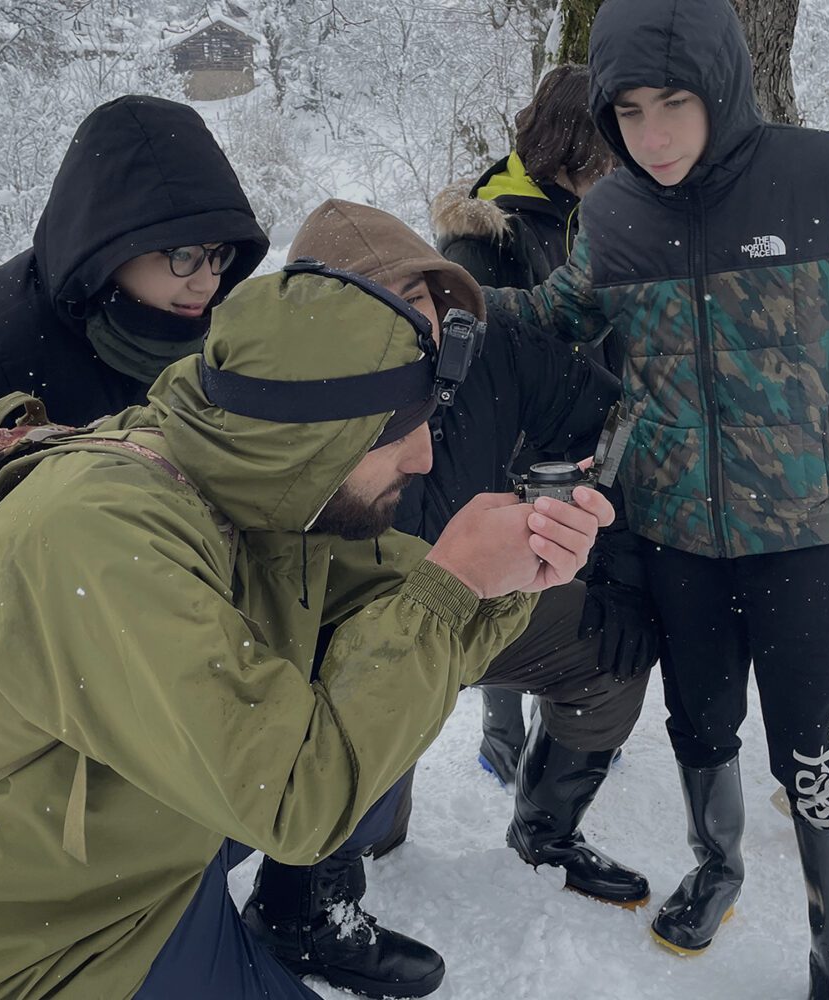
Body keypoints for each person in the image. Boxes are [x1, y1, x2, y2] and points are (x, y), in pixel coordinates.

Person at [0, 261, 616, 999]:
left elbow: (408, 616)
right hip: (54, 942)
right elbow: (297, 796)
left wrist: (509, 576)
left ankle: (292, 920)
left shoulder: (256, 479)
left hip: (154, 842)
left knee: (385, 679)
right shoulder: (98, 538)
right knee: (359, 715)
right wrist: (455, 583)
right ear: (313, 433)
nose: (424, 457)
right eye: (397, 430)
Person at [484, 1, 829, 995]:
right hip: (675, 530)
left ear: (723, 88)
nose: (653, 135)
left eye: (676, 103)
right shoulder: (610, 213)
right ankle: (717, 862)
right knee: (699, 721)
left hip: (804, 534)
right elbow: (552, 313)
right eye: (631, 110)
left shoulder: (828, 177)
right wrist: (438, 297)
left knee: (814, 745)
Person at [236, 199, 656, 1000]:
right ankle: (304, 904)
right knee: (355, 805)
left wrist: (605, 554)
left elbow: (607, 419)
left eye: (424, 301)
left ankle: (546, 830)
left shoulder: (494, 346)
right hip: (352, 643)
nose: (413, 326)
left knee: (610, 649)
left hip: (480, 600)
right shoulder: (285, 392)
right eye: (381, 304)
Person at [430, 63, 643, 788]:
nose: (621, 167)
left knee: (552, 577)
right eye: (609, 151)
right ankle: (499, 731)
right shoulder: (493, 234)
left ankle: (550, 723)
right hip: (515, 453)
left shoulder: (581, 216)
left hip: (571, 431)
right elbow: (472, 364)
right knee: (511, 581)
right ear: (575, 147)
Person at [0, 94, 267, 473]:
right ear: (109, 248)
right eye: (183, 255)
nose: (207, 282)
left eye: (219, 254)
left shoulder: (215, 332)